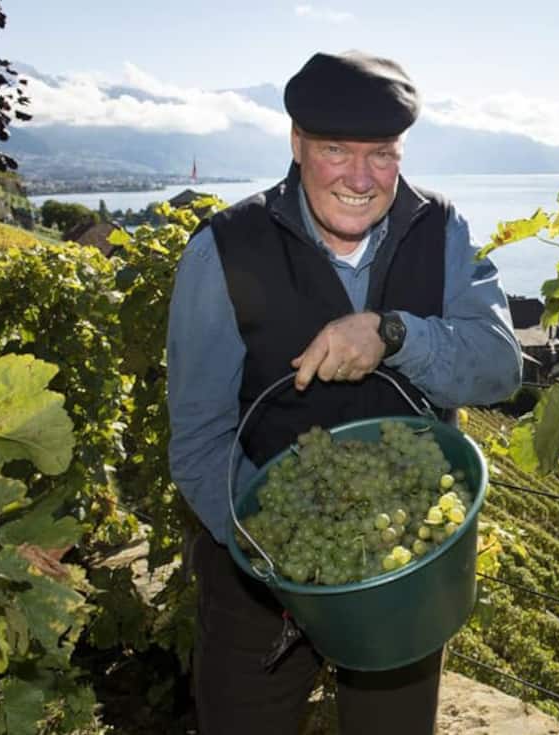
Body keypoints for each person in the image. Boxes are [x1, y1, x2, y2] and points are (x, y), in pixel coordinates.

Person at [166, 49, 522, 735]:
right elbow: (201, 439)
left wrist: (395, 335)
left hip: (403, 576)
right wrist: (286, 562)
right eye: (335, 150)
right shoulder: (222, 252)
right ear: (297, 144)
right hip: (258, 581)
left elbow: (499, 368)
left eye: (382, 153)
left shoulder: (441, 231)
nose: (360, 178)